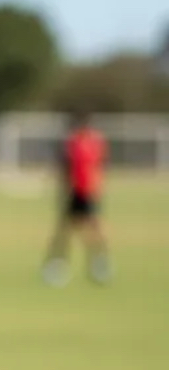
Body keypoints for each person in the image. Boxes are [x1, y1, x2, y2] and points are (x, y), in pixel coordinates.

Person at [42, 111, 111, 285]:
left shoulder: (92, 142)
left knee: (93, 229)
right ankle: (58, 265)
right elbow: (65, 166)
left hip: (88, 191)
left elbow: (98, 166)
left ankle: (99, 264)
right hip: (75, 191)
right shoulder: (73, 142)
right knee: (65, 230)